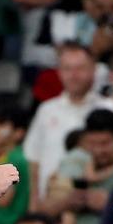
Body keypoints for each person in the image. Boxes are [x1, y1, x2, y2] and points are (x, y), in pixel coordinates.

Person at [24, 43, 100, 203]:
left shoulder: (106, 108)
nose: (74, 75)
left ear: (94, 70)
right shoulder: (46, 109)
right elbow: (34, 160)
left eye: (80, 68)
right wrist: (33, 202)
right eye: (67, 69)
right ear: (59, 72)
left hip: (89, 203)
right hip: (48, 203)